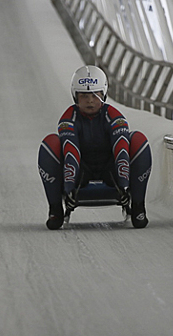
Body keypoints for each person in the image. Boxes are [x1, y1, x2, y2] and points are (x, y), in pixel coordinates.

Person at [38, 65, 152, 230]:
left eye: (95, 95)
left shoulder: (114, 116)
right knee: (50, 143)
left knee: (138, 140)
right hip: (81, 171)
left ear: (103, 94)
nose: (90, 101)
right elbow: (71, 151)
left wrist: (124, 184)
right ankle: (55, 209)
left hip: (110, 169)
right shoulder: (68, 118)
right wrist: (69, 187)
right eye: (84, 96)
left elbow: (120, 149)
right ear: (76, 96)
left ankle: (138, 207)